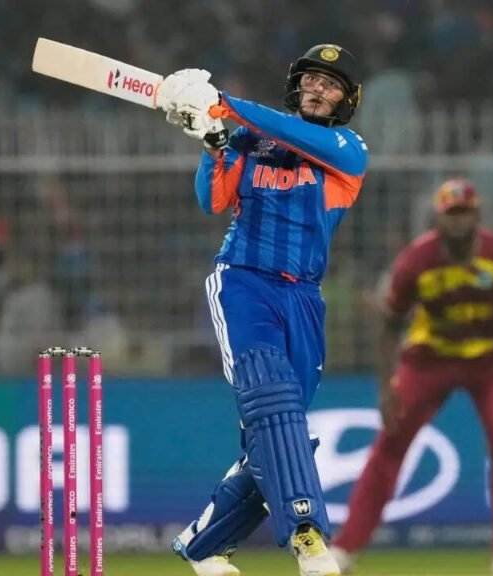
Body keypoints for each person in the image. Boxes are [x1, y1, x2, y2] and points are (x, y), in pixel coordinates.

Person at [156, 44, 368, 576]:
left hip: (304, 299)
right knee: (272, 400)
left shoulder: (347, 149)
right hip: (244, 283)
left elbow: (294, 135)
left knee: (277, 429)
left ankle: (203, 545)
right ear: (296, 86)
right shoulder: (250, 141)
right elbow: (213, 201)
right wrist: (213, 144)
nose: (317, 89)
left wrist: (223, 103)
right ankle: (307, 532)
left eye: (330, 84)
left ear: (346, 100)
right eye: (311, 80)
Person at [329, 179, 493, 576]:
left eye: (464, 214)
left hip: (490, 359)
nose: (458, 222)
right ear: (438, 218)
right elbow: (390, 323)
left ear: (477, 216)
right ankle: (344, 549)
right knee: (390, 443)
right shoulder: (417, 260)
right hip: (429, 359)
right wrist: (386, 387)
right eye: (451, 215)